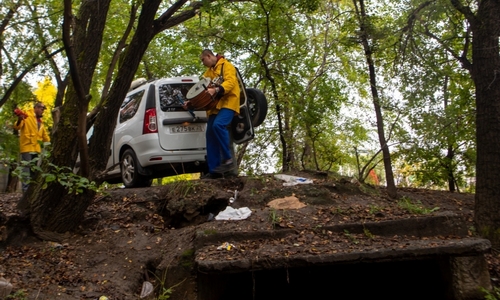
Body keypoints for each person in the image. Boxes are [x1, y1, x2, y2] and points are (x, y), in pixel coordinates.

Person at [185, 49, 240, 178]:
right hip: (215, 107)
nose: (202, 63)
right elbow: (200, 92)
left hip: (229, 103)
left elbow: (231, 82)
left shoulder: (227, 66)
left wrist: (216, 89)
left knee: (218, 125)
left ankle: (228, 160)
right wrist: (190, 103)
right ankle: (214, 170)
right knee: (210, 134)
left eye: (203, 60)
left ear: (209, 56)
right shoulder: (208, 73)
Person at [13, 102, 51, 192]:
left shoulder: (41, 122)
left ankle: (31, 191)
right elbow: (17, 126)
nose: (43, 111)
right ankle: (25, 191)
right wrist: (19, 119)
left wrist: (50, 145)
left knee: (33, 171)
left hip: (36, 149)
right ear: (36, 108)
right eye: (42, 109)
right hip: (26, 148)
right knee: (26, 170)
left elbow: (45, 136)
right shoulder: (27, 116)